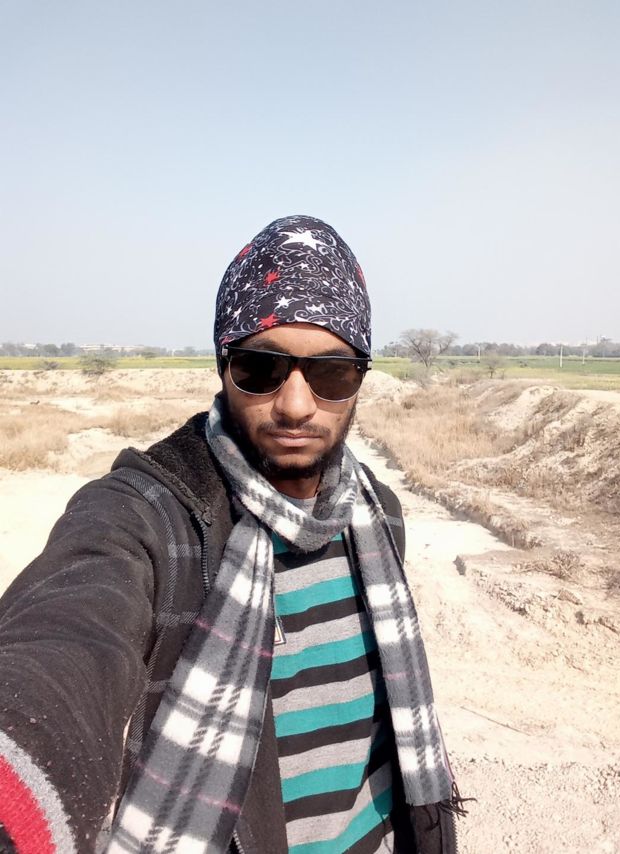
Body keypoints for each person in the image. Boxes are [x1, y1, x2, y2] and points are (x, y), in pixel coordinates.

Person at [0, 216, 462, 854]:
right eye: (260, 368)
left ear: (360, 378)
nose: (296, 405)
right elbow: (66, 637)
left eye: (331, 374)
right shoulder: (148, 518)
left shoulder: (377, 517)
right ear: (223, 367)